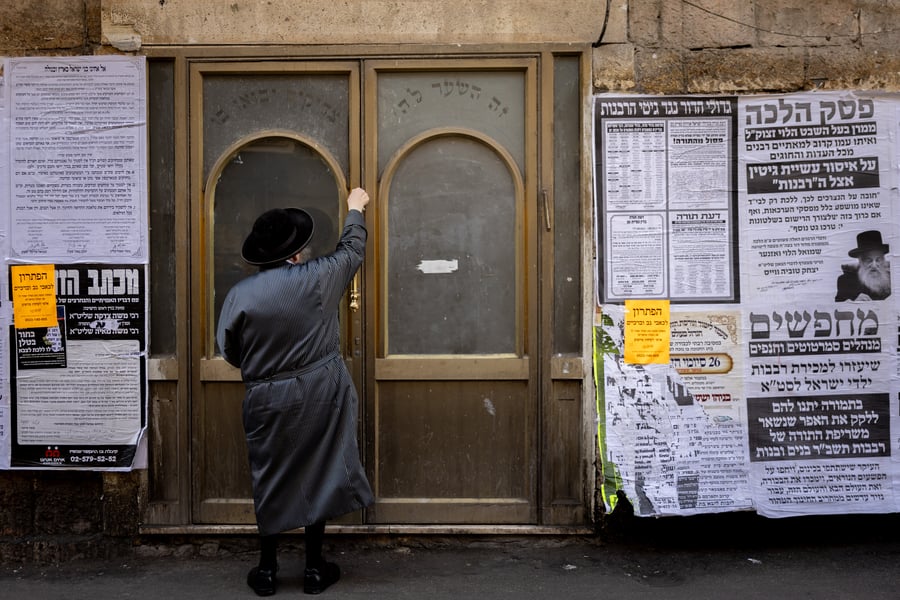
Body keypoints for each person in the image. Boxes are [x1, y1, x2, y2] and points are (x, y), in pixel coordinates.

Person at [217, 187, 374, 596]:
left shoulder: (239, 295)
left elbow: (230, 350)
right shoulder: (319, 278)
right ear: (297, 253)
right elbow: (353, 248)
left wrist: (264, 370)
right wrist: (355, 208)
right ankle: (313, 569)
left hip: (266, 395)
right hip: (322, 389)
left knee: (269, 475)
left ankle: (267, 570)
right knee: (318, 470)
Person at [835, 230, 892, 302]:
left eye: (878, 260)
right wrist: (854, 303)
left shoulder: (893, 279)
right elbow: (838, 308)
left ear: (883, 261)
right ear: (861, 261)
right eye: (869, 260)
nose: (874, 265)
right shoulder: (845, 281)